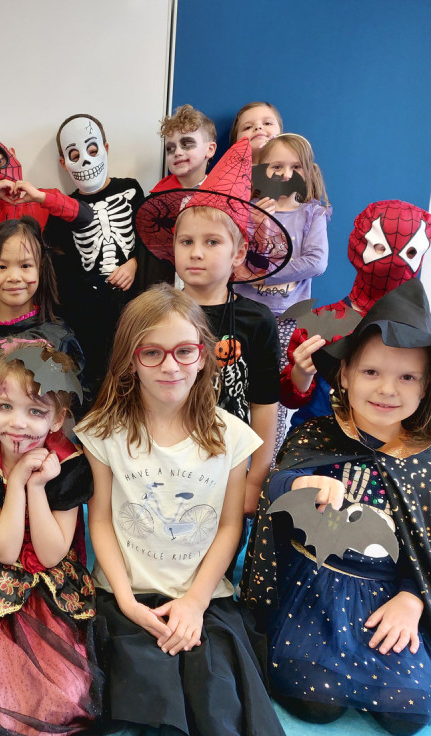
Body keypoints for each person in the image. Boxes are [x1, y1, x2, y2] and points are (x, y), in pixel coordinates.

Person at [242, 278, 431, 736]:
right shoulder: (313, 436)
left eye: (407, 377)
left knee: (409, 710)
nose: (387, 389)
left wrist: (411, 598)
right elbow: (274, 493)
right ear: (345, 375)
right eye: (371, 372)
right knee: (314, 699)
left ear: (426, 387)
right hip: (312, 586)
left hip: (386, 596)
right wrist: (299, 482)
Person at [76, 285, 287, 736]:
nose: (170, 366)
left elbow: (230, 526)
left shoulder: (232, 436)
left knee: (215, 693)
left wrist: (194, 601)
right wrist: (127, 600)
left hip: (203, 593)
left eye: (184, 351)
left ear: (203, 355)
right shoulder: (102, 432)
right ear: (130, 360)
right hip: (126, 593)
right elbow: (101, 522)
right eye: (152, 353)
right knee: (145, 687)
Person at [0, 344, 102, 736]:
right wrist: (15, 482)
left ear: (58, 418)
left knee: (64, 692)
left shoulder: (68, 462)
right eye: (5, 407)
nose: (17, 424)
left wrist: (38, 486)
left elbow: (50, 555)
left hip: (49, 584)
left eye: (35, 412)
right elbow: (5, 550)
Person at [136, 138, 288, 515]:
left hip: (228, 466)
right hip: (161, 463)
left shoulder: (257, 321)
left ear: (238, 253)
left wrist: (256, 479)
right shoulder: (154, 313)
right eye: (186, 241)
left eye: (212, 242)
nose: (197, 252)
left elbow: (264, 405)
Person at [281, 200, 431, 427]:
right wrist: (301, 374)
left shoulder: (430, 329)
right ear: (358, 245)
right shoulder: (321, 322)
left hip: (396, 444)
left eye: (410, 252)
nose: (395, 261)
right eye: (381, 248)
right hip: (320, 440)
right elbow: (290, 398)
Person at [46, 113, 172, 394]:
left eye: (92, 150)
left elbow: (149, 239)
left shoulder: (130, 189)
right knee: (95, 383)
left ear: (105, 148)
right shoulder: (64, 209)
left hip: (134, 307)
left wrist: (134, 263)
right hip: (89, 318)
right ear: (64, 163)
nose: (85, 161)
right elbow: (58, 270)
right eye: (75, 155)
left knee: (136, 378)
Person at [236, 132, 331, 452]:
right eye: (276, 166)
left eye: (296, 167)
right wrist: (257, 225)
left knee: (273, 392)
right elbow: (236, 262)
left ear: (308, 171)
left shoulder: (312, 213)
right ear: (260, 169)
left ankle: (269, 460)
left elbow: (316, 262)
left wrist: (265, 272)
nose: (286, 174)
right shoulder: (247, 211)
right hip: (245, 313)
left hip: (287, 318)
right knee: (237, 383)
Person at [0, 217, 84, 418]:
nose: (14, 277)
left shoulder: (59, 337)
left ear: (40, 268)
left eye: (25, 265)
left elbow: (79, 405)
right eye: (2, 267)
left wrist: (54, 384)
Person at [0, 132, 94, 244]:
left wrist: (42, 198)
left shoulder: (47, 198)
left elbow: (85, 217)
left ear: (12, 153)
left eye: (0, 161)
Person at [151, 104, 217, 191]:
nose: (177, 152)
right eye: (170, 149)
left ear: (210, 149)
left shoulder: (222, 191)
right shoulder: (158, 196)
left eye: (186, 145)